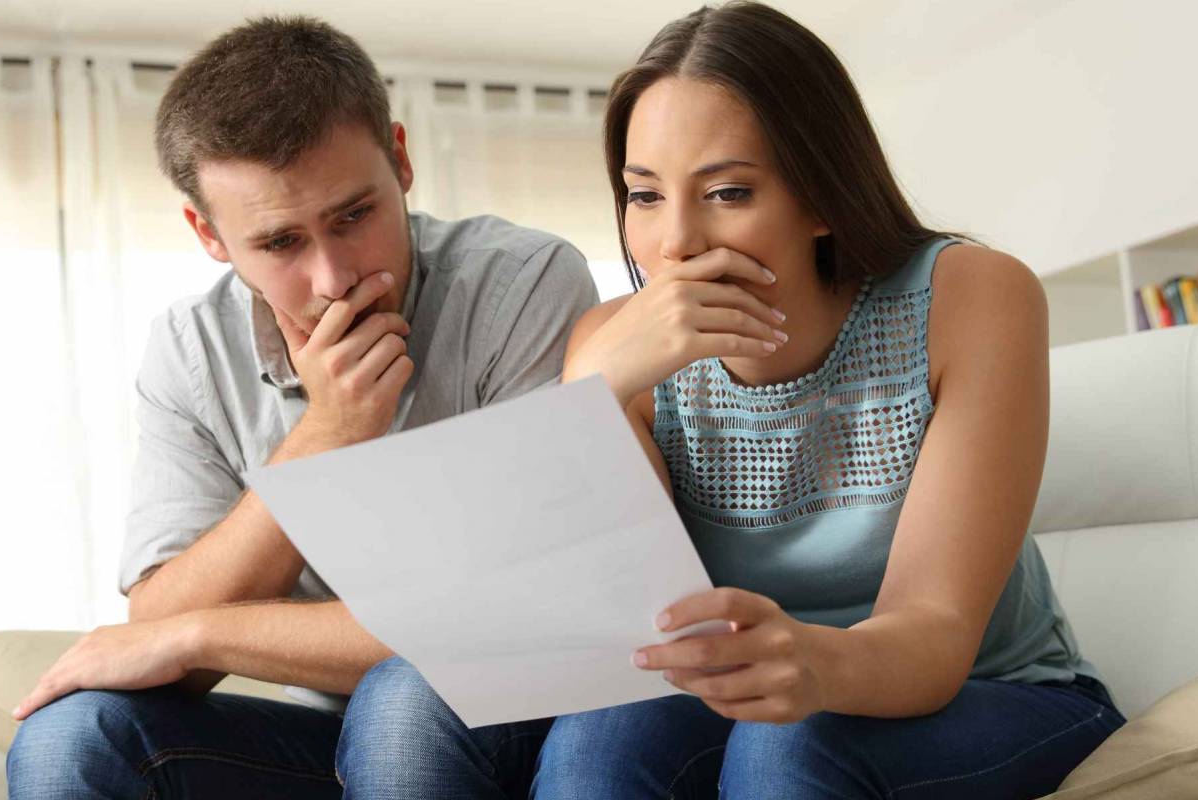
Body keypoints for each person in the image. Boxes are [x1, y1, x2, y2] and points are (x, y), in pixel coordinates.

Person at [338, 3, 1123, 798]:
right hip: (743, 700)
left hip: (991, 695)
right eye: (644, 196)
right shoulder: (613, 347)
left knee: (789, 744)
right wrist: (588, 398)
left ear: (823, 194)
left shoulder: (971, 296)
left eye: (728, 192)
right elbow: (599, 626)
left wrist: (812, 661)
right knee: (581, 738)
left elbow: (936, 637)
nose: (675, 242)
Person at [2, 16, 598, 800]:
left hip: (525, 718)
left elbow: (510, 623)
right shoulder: (190, 353)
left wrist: (200, 632)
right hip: (337, 738)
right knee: (71, 739)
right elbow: (157, 627)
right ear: (209, 234)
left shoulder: (521, 285)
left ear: (403, 159)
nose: (333, 277)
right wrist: (327, 434)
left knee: (407, 697)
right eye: (281, 243)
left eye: (355, 216)